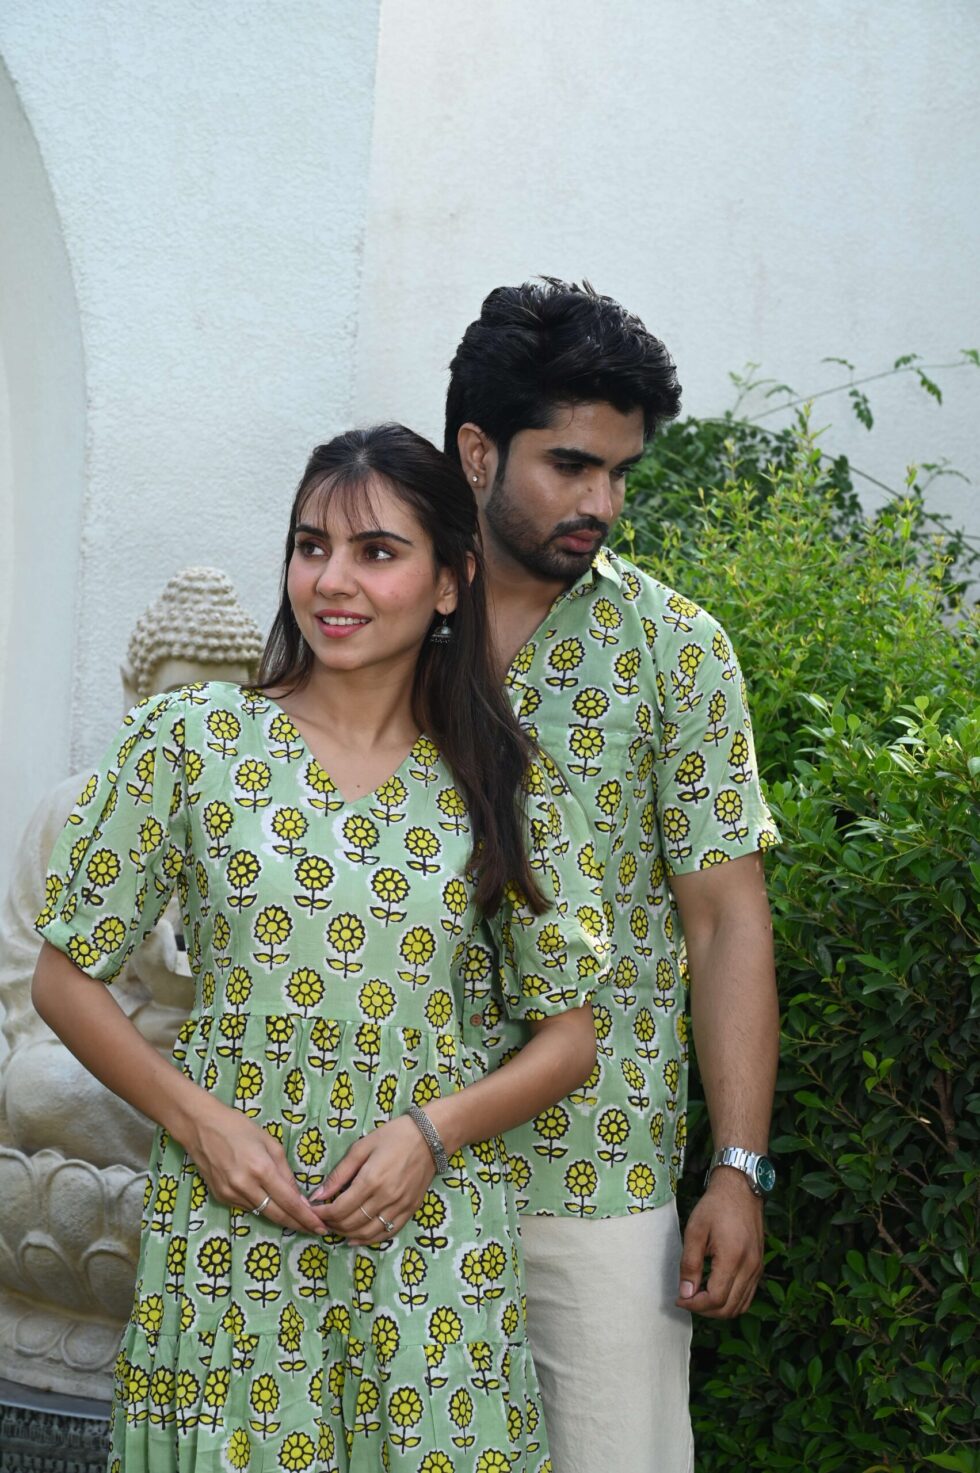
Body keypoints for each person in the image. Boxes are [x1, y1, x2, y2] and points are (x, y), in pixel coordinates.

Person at [32, 424, 609, 1472]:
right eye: (311, 547)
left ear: (450, 582)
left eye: (375, 552)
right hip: (232, 1236)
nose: (332, 581)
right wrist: (200, 1123)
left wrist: (429, 1134)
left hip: (426, 1244)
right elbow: (64, 977)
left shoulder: (498, 778)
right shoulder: (192, 743)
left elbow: (569, 1038)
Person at [445, 279, 781, 1473]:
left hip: (596, 1174)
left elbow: (725, 922)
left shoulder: (673, 649)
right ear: (476, 451)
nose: (602, 503)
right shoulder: (381, 621)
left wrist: (735, 1167)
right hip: (375, 1161)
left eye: (620, 472)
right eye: (570, 466)